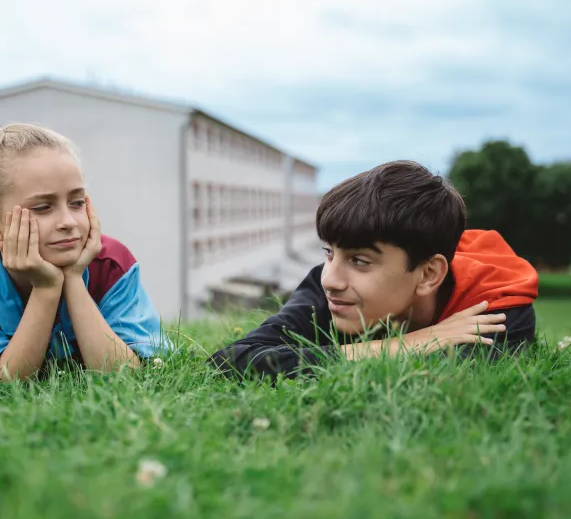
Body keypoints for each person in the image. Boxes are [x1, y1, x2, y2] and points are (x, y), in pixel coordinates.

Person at [210, 160, 538, 379]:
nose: (331, 280)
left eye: (360, 261)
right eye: (329, 252)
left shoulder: (493, 306)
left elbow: (440, 384)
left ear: (428, 275)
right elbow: (231, 360)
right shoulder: (331, 287)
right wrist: (415, 342)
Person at [0, 123, 170, 379]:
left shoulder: (112, 264)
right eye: (42, 208)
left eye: (76, 203)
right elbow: (0, 383)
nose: (69, 222)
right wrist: (46, 288)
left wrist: (73, 278)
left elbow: (128, 375)